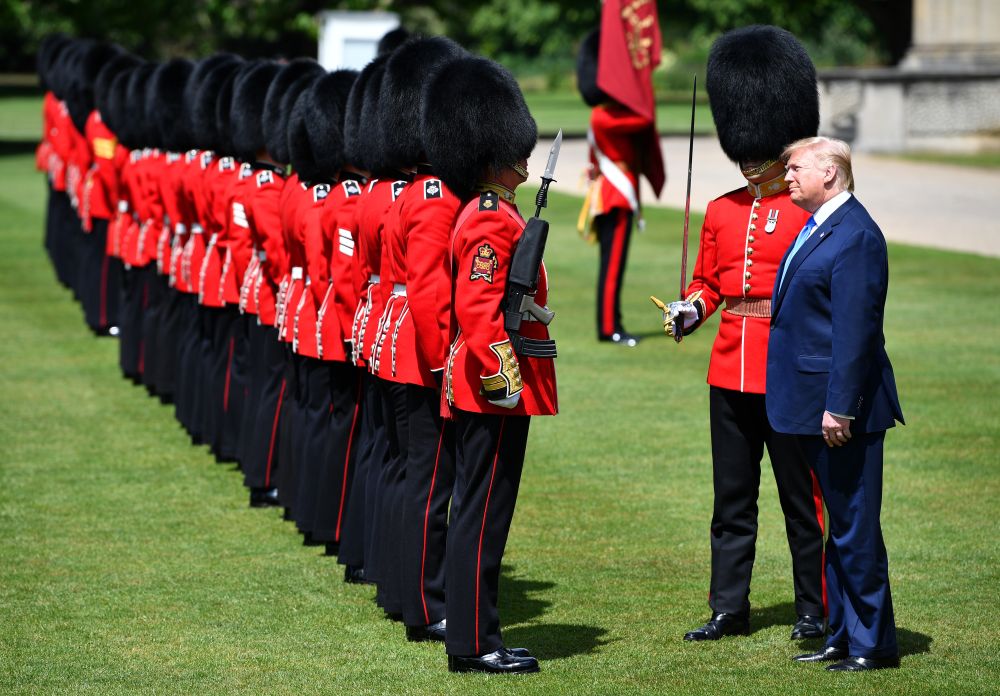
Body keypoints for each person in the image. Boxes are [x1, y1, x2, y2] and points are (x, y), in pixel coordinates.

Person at [651, 25, 827, 642]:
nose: (749, 157)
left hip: (787, 371)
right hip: (728, 370)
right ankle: (730, 607)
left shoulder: (808, 211)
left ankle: (814, 608)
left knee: (803, 503)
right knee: (731, 502)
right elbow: (710, 285)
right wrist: (688, 312)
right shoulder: (723, 209)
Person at [424, 54, 557, 674]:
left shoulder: (496, 213)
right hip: (491, 386)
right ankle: (474, 643)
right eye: (514, 153)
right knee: (482, 513)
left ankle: (481, 631)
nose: (524, 161)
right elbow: (479, 310)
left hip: (489, 382)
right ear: (490, 156)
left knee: (484, 509)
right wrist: (505, 375)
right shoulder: (487, 220)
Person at [768, 136, 904, 672]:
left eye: (795, 168)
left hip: (842, 411)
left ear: (830, 172)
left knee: (855, 525)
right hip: (810, 402)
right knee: (839, 529)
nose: (787, 177)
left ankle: (873, 644)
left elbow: (856, 332)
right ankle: (842, 634)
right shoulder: (820, 224)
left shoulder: (856, 236)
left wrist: (840, 407)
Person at [576, 28, 664, 346]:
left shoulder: (600, 114)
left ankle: (613, 321)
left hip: (611, 191)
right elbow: (645, 119)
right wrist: (640, 83)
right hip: (617, 195)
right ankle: (610, 327)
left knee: (612, 265)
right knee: (612, 267)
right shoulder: (607, 116)